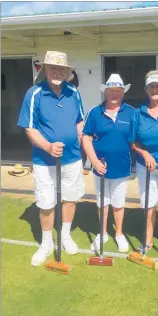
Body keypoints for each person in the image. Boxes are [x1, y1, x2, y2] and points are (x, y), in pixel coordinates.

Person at [17, 51, 85, 266]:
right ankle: (46, 243)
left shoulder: (74, 92)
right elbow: (29, 128)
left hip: (72, 158)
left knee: (70, 198)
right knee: (46, 202)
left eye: (61, 69)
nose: (56, 72)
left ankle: (65, 236)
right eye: (52, 68)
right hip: (44, 161)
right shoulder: (34, 93)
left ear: (67, 72)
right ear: (44, 70)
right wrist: (47, 146)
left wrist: (84, 150)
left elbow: (79, 123)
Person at [82, 74, 135, 252]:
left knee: (119, 203)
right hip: (100, 167)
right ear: (105, 92)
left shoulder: (131, 112)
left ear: (123, 93)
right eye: (111, 91)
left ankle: (119, 233)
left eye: (118, 91)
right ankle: (103, 233)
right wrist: (94, 162)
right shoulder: (95, 112)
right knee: (102, 202)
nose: (114, 94)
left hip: (122, 166)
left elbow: (136, 139)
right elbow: (86, 138)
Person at [128, 70, 158, 257]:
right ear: (146, 90)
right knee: (148, 205)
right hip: (145, 167)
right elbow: (132, 141)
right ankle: (147, 241)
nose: (155, 89)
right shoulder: (138, 113)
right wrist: (144, 153)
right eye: (151, 86)